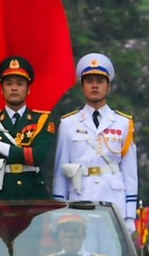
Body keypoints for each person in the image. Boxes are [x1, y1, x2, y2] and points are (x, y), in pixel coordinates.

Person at [52, 53, 139, 229]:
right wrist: (58, 210)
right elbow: (60, 171)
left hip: (114, 201)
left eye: (99, 81)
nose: (94, 86)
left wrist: (130, 215)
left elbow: (130, 173)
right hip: (79, 199)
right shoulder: (68, 124)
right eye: (89, 81)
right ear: (82, 86)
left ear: (108, 86)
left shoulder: (123, 123)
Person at [0, 55, 57, 201]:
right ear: (2, 89)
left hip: (33, 194)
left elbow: (39, 155)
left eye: (20, 83)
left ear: (28, 89)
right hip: (1, 195)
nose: (14, 88)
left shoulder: (42, 120)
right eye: (8, 83)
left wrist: (0, 146)